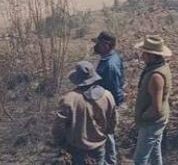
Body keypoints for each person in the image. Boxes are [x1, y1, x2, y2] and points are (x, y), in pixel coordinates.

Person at [53, 61, 117, 165]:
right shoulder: (108, 96)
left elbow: (58, 128)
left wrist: (62, 143)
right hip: (99, 146)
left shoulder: (69, 99)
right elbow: (112, 123)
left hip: (77, 149)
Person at [133, 36, 172, 165]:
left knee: (140, 159)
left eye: (144, 53)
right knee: (155, 153)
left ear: (152, 55)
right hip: (156, 121)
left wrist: (143, 117)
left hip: (152, 122)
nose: (142, 55)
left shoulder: (156, 76)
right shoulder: (160, 67)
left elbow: (156, 108)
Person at [93, 31, 125, 165]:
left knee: (106, 137)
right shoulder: (112, 58)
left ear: (107, 45)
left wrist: (111, 107)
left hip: (106, 106)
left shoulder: (110, 65)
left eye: (99, 43)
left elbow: (114, 89)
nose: (96, 46)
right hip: (106, 104)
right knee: (107, 136)